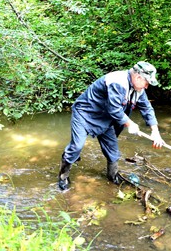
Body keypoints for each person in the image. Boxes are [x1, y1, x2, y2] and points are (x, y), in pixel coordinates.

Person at [58, 61, 165, 190]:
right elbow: (114, 109)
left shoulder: (138, 89)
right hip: (85, 114)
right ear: (138, 77)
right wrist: (130, 123)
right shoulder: (117, 81)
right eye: (146, 83)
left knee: (113, 151)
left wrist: (155, 132)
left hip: (105, 118)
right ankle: (63, 177)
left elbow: (147, 108)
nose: (147, 87)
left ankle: (113, 176)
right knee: (76, 146)